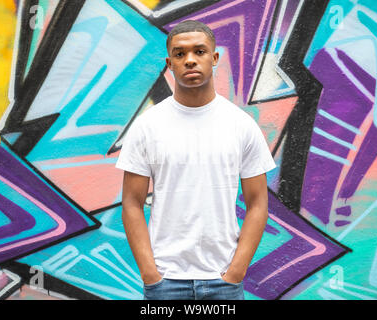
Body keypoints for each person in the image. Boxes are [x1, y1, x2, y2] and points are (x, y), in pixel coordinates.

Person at [115, 20, 276, 300]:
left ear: (214, 58)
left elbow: (258, 203)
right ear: (170, 63)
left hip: (223, 281)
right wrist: (150, 274)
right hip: (165, 282)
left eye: (199, 52)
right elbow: (131, 202)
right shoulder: (147, 126)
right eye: (180, 54)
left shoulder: (241, 125)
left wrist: (235, 271)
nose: (190, 60)